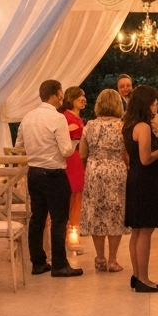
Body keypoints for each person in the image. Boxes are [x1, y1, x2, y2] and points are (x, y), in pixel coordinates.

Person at [14, 79, 83, 277]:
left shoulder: (28, 117)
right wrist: (75, 141)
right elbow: (66, 151)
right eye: (61, 93)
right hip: (54, 173)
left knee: (37, 218)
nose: (62, 97)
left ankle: (38, 263)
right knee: (59, 219)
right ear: (57, 94)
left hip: (34, 173)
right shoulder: (57, 118)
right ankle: (59, 264)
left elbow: (18, 145)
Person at [123, 85, 158, 292]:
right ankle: (144, 278)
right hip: (145, 180)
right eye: (153, 104)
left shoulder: (128, 125)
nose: (156, 107)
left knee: (137, 230)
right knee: (145, 231)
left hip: (135, 177)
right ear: (145, 104)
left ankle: (137, 275)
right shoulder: (142, 126)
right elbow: (146, 158)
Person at [80, 88, 129, 272]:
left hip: (95, 171)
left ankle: (100, 258)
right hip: (116, 171)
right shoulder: (123, 126)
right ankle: (113, 260)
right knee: (115, 213)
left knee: (97, 213)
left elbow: (82, 153)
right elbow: (127, 154)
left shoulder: (90, 125)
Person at [61, 86, 87, 235]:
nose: (83, 99)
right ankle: (70, 227)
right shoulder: (66, 117)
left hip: (77, 158)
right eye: (79, 96)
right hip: (70, 158)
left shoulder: (76, 117)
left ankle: (74, 227)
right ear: (71, 99)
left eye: (83, 96)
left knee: (78, 192)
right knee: (72, 192)